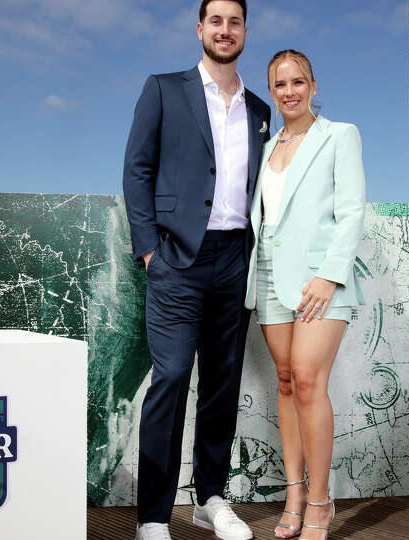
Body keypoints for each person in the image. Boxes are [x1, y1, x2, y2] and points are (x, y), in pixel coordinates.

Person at [122, 1, 271, 539]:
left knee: (222, 385)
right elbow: (137, 168)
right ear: (200, 28)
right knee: (172, 378)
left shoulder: (259, 108)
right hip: (176, 260)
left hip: (235, 260)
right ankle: (154, 517)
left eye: (234, 22)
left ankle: (210, 498)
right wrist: (148, 249)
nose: (225, 30)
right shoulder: (163, 89)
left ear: (244, 31)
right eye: (216, 21)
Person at [244, 49, 366, 540]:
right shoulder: (268, 147)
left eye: (298, 82)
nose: (289, 91)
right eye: (279, 84)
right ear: (271, 91)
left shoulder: (340, 136)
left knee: (311, 382)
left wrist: (329, 274)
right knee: (289, 382)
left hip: (320, 279)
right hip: (269, 276)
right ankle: (294, 493)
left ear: (313, 85)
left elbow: (352, 210)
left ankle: (321, 499)